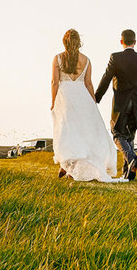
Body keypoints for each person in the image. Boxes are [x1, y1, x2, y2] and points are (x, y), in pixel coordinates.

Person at [50, 29, 125, 183]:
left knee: (67, 130)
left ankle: (67, 165)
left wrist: (53, 101)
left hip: (65, 96)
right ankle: (70, 167)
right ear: (79, 43)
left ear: (64, 42)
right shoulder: (86, 60)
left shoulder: (57, 58)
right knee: (82, 131)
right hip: (82, 97)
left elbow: (54, 82)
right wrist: (93, 102)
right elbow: (88, 83)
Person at [96, 29, 137, 181]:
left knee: (117, 133)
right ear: (135, 42)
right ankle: (127, 173)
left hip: (121, 102)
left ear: (121, 42)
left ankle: (132, 158)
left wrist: (96, 98)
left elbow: (106, 79)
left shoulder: (116, 58)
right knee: (130, 136)